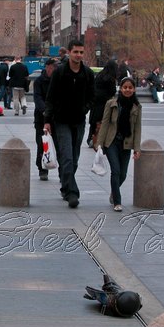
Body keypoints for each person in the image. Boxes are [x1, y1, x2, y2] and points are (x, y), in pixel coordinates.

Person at [44, 39, 95, 208]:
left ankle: (66, 186)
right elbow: (50, 98)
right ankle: (73, 193)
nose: (78, 55)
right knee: (66, 156)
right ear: (70, 53)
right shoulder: (60, 73)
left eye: (81, 52)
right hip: (61, 121)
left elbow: (92, 96)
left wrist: (85, 108)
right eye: (75, 52)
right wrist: (47, 120)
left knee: (74, 159)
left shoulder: (87, 73)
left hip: (79, 120)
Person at [95, 77, 141, 212]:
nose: (127, 90)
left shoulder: (137, 107)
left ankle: (114, 191)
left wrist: (137, 148)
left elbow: (137, 128)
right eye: (125, 87)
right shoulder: (111, 104)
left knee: (123, 174)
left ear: (134, 89)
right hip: (112, 142)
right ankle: (117, 201)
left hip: (126, 143)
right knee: (115, 171)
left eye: (130, 88)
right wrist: (100, 143)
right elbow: (105, 124)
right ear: (120, 89)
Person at [33, 58, 58, 181]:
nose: (55, 69)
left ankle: (62, 171)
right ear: (48, 67)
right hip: (41, 118)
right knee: (42, 144)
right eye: (54, 67)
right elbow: (37, 98)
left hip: (57, 118)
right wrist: (45, 111)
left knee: (59, 144)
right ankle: (42, 169)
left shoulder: (59, 80)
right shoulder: (39, 81)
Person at [87, 60, 118, 148]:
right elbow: (112, 91)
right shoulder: (110, 78)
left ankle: (91, 138)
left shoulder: (100, 75)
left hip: (96, 103)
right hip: (105, 103)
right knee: (102, 122)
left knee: (94, 123)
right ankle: (98, 139)